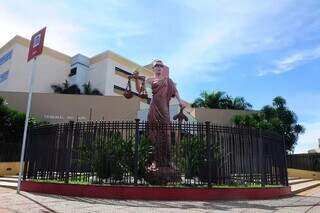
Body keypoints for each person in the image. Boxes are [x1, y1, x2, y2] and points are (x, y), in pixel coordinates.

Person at [132, 60, 185, 181]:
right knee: (153, 134)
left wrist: (180, 101)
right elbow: (140, 92)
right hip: (153, 108)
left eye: (161, 66)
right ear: (153, 68)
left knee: (166, 133)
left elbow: (175, 91)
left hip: (164, 109)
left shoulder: (168, 80)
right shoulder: (149, 80)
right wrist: (135, 79)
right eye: (157, 66)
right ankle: (154, 161)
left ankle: (167, 162)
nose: (159, 68)